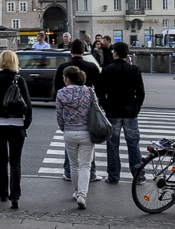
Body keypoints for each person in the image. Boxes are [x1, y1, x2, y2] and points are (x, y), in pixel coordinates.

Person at [0, 50, 32, 210]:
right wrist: (25, 124)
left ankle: (3, 193)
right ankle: (15, 196)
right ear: (14, 62)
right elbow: (28, 106)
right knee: (16, 162)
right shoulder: (20, 80)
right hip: (17, 125)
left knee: (2, 160)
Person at [53, 39, 103, 182]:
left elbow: (56, 88)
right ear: (83, 50)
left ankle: (68, 171)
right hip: (88, 110)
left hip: (68, 110)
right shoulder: (92, 67)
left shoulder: (63, 67)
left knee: (70, 143)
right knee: (89, 142)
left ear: (70, 50)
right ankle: (91, 172)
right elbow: (99, 88)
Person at [96, 41, 146, 185]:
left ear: (115, 53)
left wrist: (105, 106)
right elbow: (141, 92)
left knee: (112, 145)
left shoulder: (107, 70)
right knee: (133, 144)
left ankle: (113, 176)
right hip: (130, 111)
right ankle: (138, 176)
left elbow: (100, 92)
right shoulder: (134, 70)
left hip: (113, 110)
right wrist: (137, 107)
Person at [56, 66, 95, 209]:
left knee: (73, 164)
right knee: (85, 165)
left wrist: (63, 128)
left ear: (67, 78)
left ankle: (76, 191)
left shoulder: (61, 93)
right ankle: (82, 195)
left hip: (70, 132)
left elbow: (59, 115)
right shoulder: (89, 91)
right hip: (86, 131)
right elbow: (95, 110)